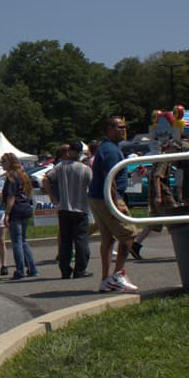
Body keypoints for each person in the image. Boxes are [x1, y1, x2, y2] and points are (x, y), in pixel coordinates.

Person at [89, 116, 138, 292]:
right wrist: (115, 204)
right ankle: (117, 275)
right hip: (108, 198)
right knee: (129, 235)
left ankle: (105, 280)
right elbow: (110, 178)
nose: (124, 129)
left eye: (125, 126)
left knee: (108, 239)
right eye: (120, 127)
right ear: (109, 129)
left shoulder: (108, 148)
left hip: (98, 198)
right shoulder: (110, 150)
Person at [43, 142, 93, 279]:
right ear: (80, 153)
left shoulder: (61, 167)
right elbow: (92, 186)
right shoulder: (85, 169)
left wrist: (52, 196)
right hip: (80, 208)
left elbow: (46, 179)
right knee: (81, 240)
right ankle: (80, 269)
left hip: (64, 208)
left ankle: (65, 270)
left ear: (70, 152)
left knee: (65, 241)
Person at [1, 152, 38, 280]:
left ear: (10, 163)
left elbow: (11, 197)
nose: (2, 164)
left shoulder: (11, 177)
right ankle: (32, 268)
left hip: (16, 209)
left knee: (16, 240)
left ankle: (20, 270)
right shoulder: (23, 175)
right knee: (23, 240)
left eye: (4, 162)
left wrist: (7, 214)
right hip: (25, 207)